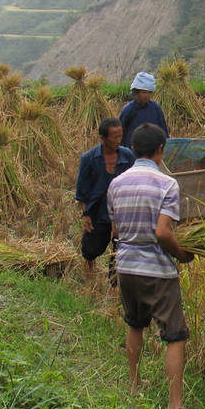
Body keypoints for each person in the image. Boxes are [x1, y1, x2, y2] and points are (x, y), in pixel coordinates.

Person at [106, 122, 205, 409]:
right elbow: (163, 232)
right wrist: (182, 253)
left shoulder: (116, 184)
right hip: (157, 271)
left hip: (126, 267)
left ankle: (134, 386)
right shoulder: (167, 184)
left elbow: (115, 231)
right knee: (175, 335)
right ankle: (175, 407)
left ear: (133, 149)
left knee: (135, 323)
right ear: (160, 150)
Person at [75, 117, 135, 285]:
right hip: (98, 211)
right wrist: (86, 214)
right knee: (91, 249)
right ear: (102, 138)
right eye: (114, 137)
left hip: (122, 213)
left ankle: (114, 283)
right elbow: (82, 190)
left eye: (120, 135)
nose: (118, 140)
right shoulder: (89, 159)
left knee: (120, 250)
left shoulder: (128, 156)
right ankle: (90, 279)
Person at [118, 72, 169, 149]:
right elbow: (120, 133)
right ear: (136, 92)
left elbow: (163, 131)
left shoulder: (156, 108)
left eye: (149, 92)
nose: (147, 96)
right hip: (132, 151)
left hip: (153, 151)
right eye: (144, 92)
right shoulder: (128, 110)